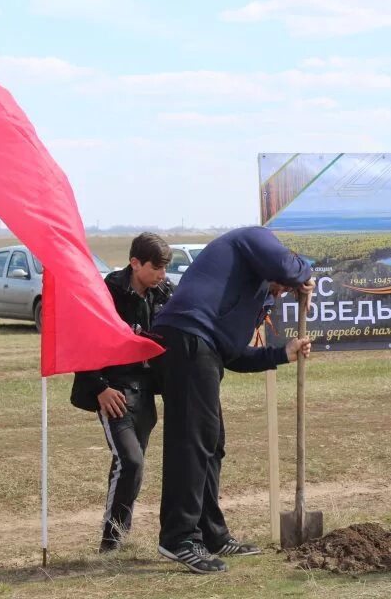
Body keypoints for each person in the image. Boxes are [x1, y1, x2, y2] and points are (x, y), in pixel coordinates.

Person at [151, 226, 314, 574]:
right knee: (193, 440)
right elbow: (288, 267)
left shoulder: (253, 295)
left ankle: (211, 533)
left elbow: (233, 355)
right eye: (285, 285)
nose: (284, 290)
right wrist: (305, 275)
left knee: (211, 441)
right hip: (186, 338)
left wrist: (282, 354)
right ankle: (179, 538)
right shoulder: (254, 237)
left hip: (202, 347)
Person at [70, 233, 174, 553]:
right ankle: (110, 543)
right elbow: (82, 341)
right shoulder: (106, 292)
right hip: (113, 391)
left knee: (136, 464)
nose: (162, 275)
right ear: (134, 263)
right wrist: (99, 387)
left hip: (146, 392)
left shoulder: (165, 293)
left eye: (165, 268)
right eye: (156, 268)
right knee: (128, 461)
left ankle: (120, 532)